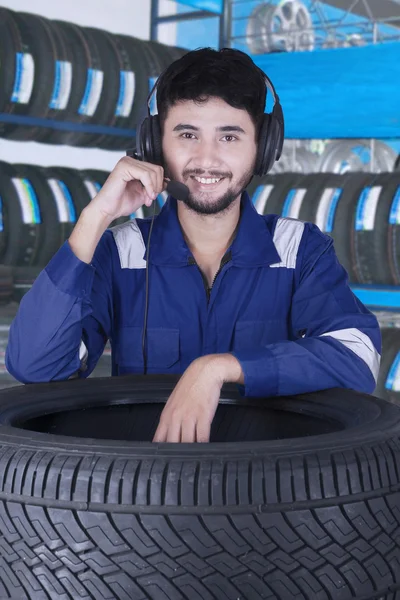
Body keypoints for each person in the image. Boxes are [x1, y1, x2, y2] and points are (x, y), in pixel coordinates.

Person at [5, 47, 381, 443]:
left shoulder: (299, 249)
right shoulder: (120, 252)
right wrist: (95, 216)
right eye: (187, 134)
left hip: (267, 490)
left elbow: (357, 357)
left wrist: (218, 368)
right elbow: (36, 367)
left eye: (229, 136)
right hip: (143, 493)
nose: (206, 159)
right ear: (153, 145)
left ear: (263, 147)